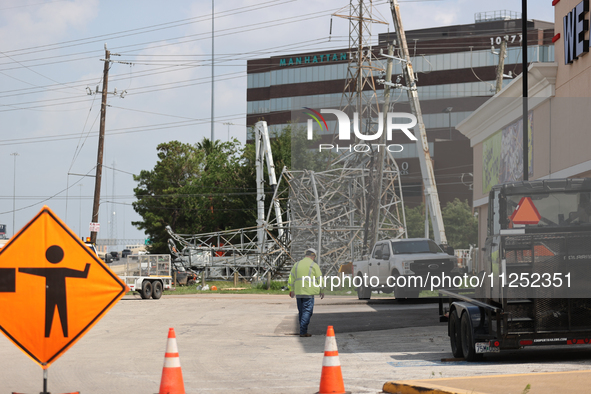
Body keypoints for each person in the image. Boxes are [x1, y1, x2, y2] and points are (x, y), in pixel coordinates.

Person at [288, 248, 324, 337]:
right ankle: (303, 331)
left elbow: (291, 278)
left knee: (301, 312)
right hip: (309, 292)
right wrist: (322, 290)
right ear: (313, 256)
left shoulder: (296, 264)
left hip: (299, 291)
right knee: (307, 311)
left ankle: (302, 330)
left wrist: (291, 290)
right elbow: (320, 279)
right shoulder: (313, 265)